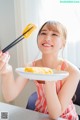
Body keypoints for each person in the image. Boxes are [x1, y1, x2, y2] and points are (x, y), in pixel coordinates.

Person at [0, 21, 80, 120]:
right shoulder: (30, 66)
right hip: (40, 114)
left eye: (54, 34)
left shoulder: (73, 72)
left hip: (64, 117)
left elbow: (55, 115)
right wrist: (6, 71)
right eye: (43, 33)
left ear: (63, 43)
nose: (47, 38)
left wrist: (50, 79)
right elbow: (9, 96)